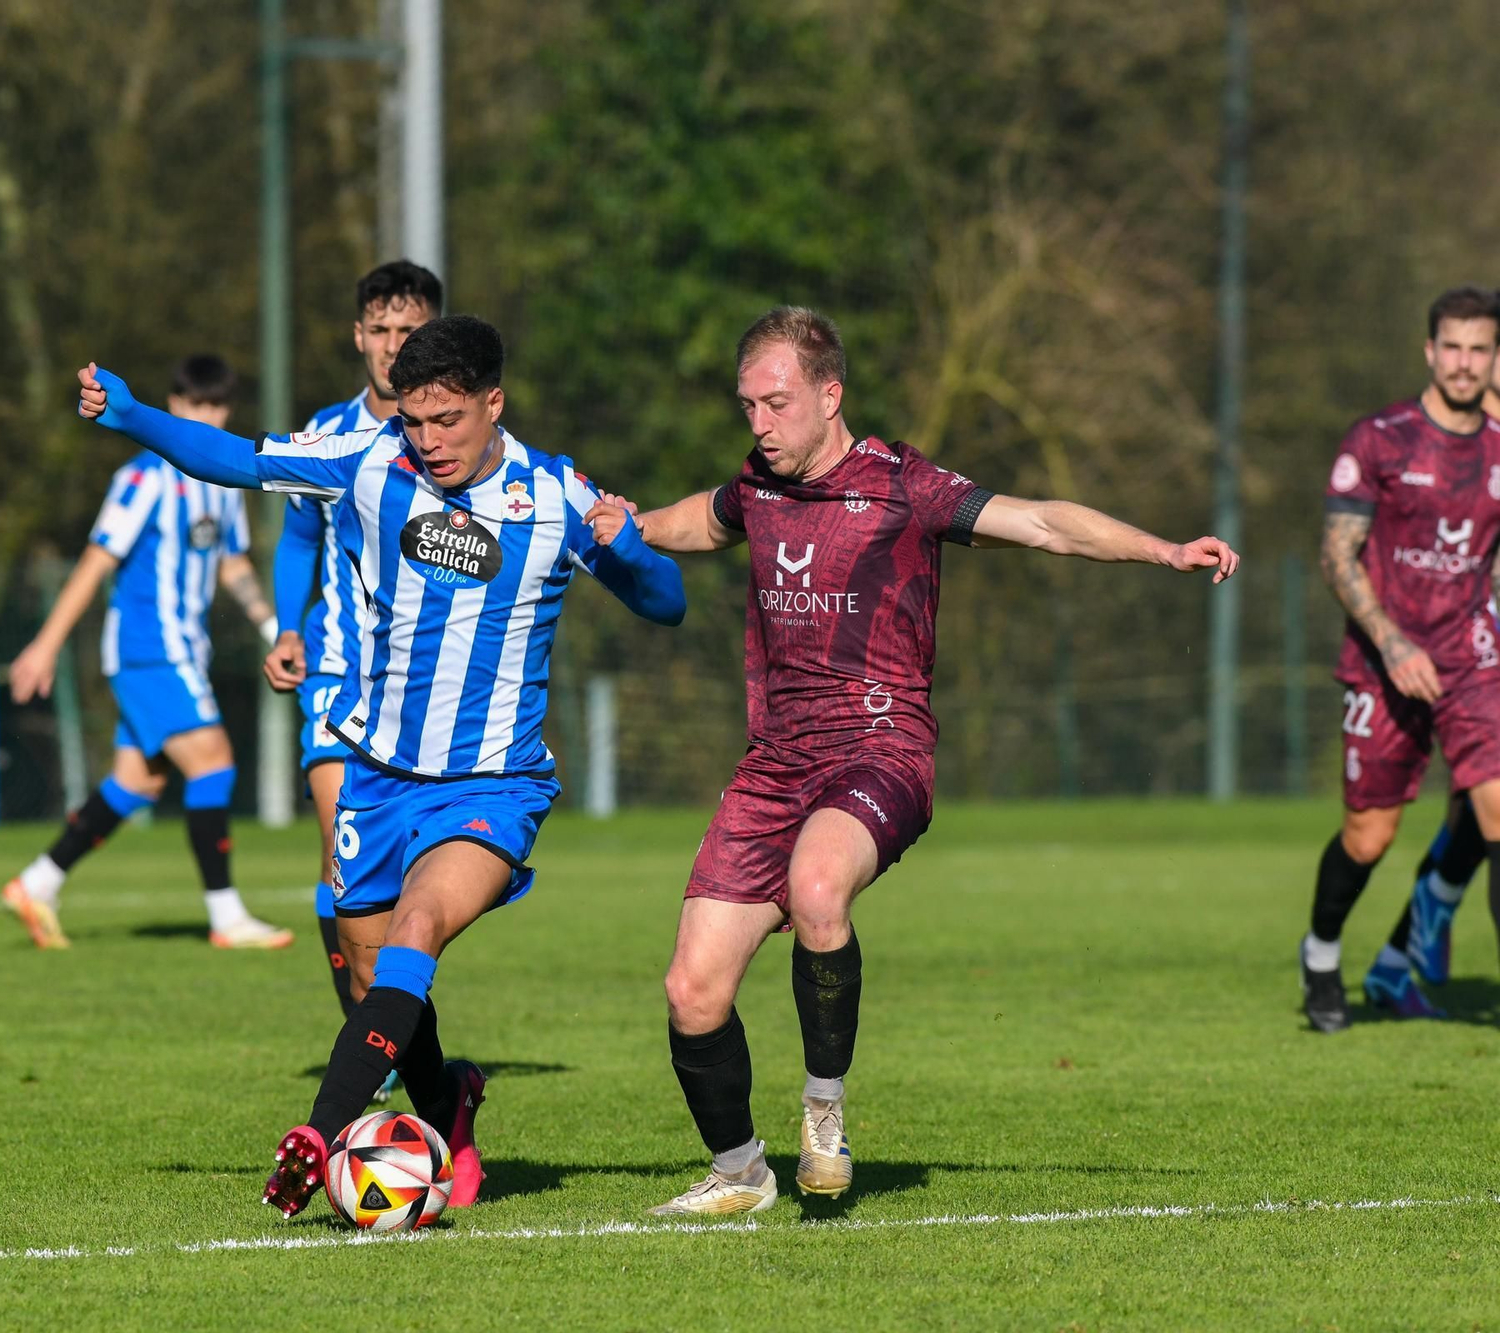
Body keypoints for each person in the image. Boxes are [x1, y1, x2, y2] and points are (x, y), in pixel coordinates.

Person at [625, 306, 1238, 1215]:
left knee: (818, 889)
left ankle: (823, 1113)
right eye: (747, 404)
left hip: (881, 747)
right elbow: (698, 522)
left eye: (777, 403)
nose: (758, 423)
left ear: (830, 395)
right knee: (692, 988)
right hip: (774, 763)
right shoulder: (757, 483)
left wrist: (1163, 550)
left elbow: (1043, 524)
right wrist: (622, 524)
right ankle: (739, 1170)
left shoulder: (904, 485)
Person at [70, 314, 686, 1218]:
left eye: (449, 421)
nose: (429, 442)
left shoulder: (555, 497)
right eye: (413, 421)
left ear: (493, 403)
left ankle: (318, 1135)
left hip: (493, 783)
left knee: (416, 930)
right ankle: (449, 1105)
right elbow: (233, 457)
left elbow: (665, 604)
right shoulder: (368, 463)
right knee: (371, 982)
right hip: (380, 774)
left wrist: (630, 549)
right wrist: (130, 417)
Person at [3, 355, 291, 951]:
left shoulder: (225, 483)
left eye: (217, 407)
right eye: (195, 406)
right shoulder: (143, 479)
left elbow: (232, 563)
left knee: (138, 782)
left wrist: (268, 623)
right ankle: (227, 916)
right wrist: (46, 644)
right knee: (212, 762)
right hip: (148, 647)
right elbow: (96, 561)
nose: (206, 416)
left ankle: (37, 882)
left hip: (183, 647)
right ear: (173, 404)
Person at [264, 260, 441, 1102]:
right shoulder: (327, 433)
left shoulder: (446, 436)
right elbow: (299, 541)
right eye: (379, 329)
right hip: (339, 682)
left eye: (409, 331)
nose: (391, 346)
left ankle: (389, 1035)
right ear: (358, 335)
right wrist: (288, 626)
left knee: (414, 889)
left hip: (427, 692)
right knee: (347, 863)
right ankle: (365, 1049)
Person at [1305, 286, 1500, 1031]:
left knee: (1496, 810)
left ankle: (1401, 958)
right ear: (1430, 350)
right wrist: (1391, 640)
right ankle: (1322, 952)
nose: (1464, 362)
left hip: (1474, 656)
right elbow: (1336, 556)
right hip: (1385, 655)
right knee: (1370, 836)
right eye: (1452, 346)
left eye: (1478, 349)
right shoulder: (1381, 438)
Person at [1367, 315, 1500, 1013]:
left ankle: (1405, 943)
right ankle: (1421, 921)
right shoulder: (1449, 440)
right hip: (1472, 647)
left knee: (1484, 815)